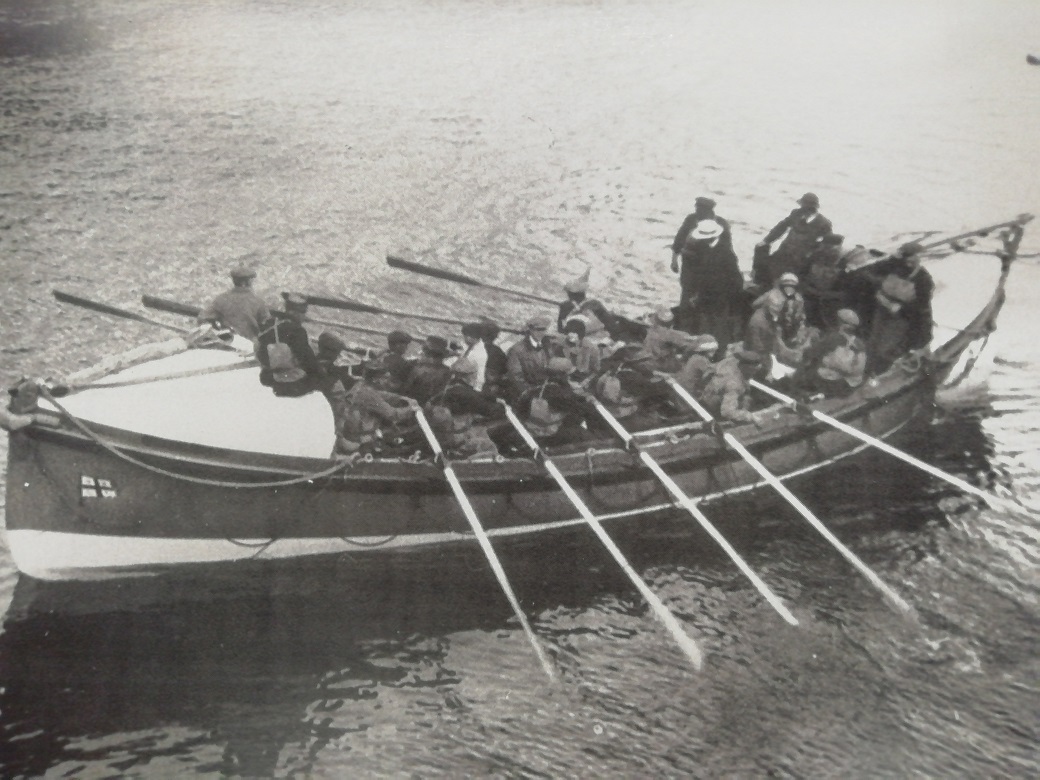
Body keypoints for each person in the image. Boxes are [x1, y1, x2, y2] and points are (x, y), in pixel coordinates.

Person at [673, 219, 744, 350]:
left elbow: (736, 279)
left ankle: (718, 354)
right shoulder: (703, 248)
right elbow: (701, 275)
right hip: (705, 297)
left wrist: (731, 298)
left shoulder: (726, 254)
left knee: (719, 329)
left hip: (720, 298)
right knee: (704, 327)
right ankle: (702, 351)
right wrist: (698, 294)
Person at [336, 358, 418, 455]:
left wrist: (401, 398)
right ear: (376, 380)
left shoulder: (360, 386)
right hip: (359, 442)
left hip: (349, 436)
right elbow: (393, 414)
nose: (387, 381)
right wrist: (412, 409)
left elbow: (380, 395)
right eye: (385, 378)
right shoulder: (369, 395)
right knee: (398, 449)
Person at [864, 241, 934, 351]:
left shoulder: (923, 279)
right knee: (872, 340)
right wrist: (878, 287)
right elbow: (870, 272)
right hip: (881, 310)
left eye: (913, 258)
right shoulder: (891, 266)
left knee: (884, 346)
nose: (908, 262)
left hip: (901, 317)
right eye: (905, 257)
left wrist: (899, 308)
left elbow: (921, 305)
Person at [514, 357, 598, 448]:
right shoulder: (560, 393)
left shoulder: (533, 390)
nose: (570, 379)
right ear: (562, 376)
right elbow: (580, 413)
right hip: (548, 436)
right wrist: (589, 402)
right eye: (569, 376)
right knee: (584, 436)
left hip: (530, 433)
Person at [755, 193, 834, 288]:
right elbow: (781, 227)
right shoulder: (796, 214)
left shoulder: (824, 223)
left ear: (813, 208)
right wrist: (767, 240)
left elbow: (827, 243)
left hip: (802, 258)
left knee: (792, 279)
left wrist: (812, 253)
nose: (802, 209)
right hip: (784, 251)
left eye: (805, 207)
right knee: (770, 269)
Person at [255, 293, 325, 397]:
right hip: (295, 382)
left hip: (276, 382)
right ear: (298, 313)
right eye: (303, 312)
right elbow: (307, 359)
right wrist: (320, 370)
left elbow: (261, 355)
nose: (303, 316)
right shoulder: (297, 331)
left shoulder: (269, 327)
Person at [795, 308, 867, 397]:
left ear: (842, 324)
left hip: (834, 382)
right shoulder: (860, 343)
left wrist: (805, 349)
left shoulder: (834, 338)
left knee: (806, 373)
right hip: (853, 383)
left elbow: (812, 353)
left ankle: (803, 395)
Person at [744, 272, 809, 365]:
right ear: (782, 286)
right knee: (759, 349)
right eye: (787, 286)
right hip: (764, 323)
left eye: (792, 286)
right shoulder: (774, 297)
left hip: (775, 324)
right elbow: (775, 322)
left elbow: (800, 318)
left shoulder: (798, 299)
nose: (789, 289)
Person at [699, 348, 774, 425]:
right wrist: (749, 416)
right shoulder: (734, 384)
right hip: (711, 408)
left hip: (708, 393)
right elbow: (727, 412)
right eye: (754, 370)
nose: (755, 373)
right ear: (747, 368)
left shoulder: (731, 362)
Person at [197, 265, 271, 342]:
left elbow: (202, 318)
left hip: (227, 343)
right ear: (248, 281)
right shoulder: (258, 302)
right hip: (250, 345)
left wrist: (217, 331)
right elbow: (267, 326)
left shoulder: (221, 299)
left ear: (234, 280)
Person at [670, 197, 733, 268]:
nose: (697, 211)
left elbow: (727, 246)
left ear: (709, 210)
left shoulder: (721, 223)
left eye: (701, 209)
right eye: (697, 208)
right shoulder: (691, 220)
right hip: (692, 260)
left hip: (714, 262)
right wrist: (674, 261)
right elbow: (679, 240)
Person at [801, 233, 848, 329]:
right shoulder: (815, 256)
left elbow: (846, 291)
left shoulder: (845, 262)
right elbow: (802, 274)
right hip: (810, 296)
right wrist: (807, 288)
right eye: (824, 247)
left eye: (830, 248)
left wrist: (827, 295)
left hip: (830, 302)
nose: (826, 250)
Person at [556, 269, 617, 341]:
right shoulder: (595, 304)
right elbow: (610, 325)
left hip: (571, 338)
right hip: (591, 339)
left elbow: (560, 329)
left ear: (570, 294)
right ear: (584, 293)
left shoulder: (564, 305)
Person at [505, 315, 552, 401]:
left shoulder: (547, 347)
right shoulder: (517, 350)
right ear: (530, 330)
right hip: (524, 394)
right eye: (538, 330)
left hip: (542, 392)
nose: (541, 333)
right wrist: (531, 394)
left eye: (543, 330)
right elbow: (515, 377)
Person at [402, 336, 452, 404]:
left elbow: (407, 388)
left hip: (414, 403)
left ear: (426, 352)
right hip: (432, 404)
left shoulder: (418, 368)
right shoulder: (447, 371)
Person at [673, 334, 720, 398]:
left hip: (685, 388)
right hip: (689, 392)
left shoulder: (695, 357)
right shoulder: (701, 360)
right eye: (711, 350)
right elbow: (711, 372)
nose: (714, 352)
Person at [480, 321, 509, 399]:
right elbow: (505, 370)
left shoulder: (473, 348)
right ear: (495, 336)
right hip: (489, 386)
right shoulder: (498, 352)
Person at [456, 322, 488, 391]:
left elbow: (459, 369)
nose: (464, 339)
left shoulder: (478, 353)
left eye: (464, 336)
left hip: (472, 386)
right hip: (468, 382)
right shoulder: (472, 346)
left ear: (469, 337)